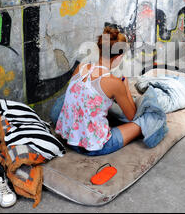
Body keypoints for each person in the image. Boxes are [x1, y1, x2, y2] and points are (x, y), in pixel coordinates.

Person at [55, 26, 141, 156]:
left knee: (81, 95)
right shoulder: (115, 83)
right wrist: (125, 87)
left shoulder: (81, 67)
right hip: (94, 146)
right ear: (119, 57)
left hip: (69, 139)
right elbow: (132, 116)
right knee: (142, 123)